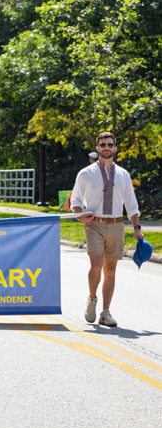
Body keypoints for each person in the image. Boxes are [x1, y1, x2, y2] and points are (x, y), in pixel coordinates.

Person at [71, 132, 144, 327]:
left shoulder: (123, 175)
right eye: (102, 144)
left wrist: (137, 228)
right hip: (94, 224)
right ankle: (92, 300)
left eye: (109, 144)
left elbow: (131, 204)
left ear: (115, 148)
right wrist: (80, 214)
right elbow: (76, 200)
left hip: (117, 225)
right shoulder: (85, 173)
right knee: (96, 265)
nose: (106, 147)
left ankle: (105, 312)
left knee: (110, 271)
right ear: (97, 148)